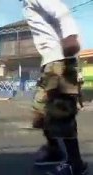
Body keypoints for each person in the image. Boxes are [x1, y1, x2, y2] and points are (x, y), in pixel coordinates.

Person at [23, 0, 88, 174]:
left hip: (60, 59)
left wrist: (70, 37)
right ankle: (55, 150)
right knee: (41, 112)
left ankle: (75, 164)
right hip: (50, 62)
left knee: (61, 112)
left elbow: (60, 9)